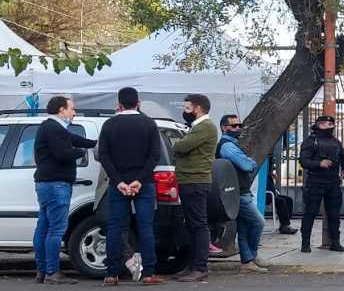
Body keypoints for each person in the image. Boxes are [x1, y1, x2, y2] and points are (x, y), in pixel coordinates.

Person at [96, 88, 164, 285]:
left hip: (118, 185)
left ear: (119, 104)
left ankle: (111, 273)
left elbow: (104, 156)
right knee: (145, 227)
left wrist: (119, 182)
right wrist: (139, 180)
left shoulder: (109, 125)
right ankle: (149, 273)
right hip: (144, 184)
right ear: (138, 103)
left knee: (115, 228)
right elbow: (154, 155)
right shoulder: (149, 124)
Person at [33, 96, 96, 285]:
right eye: (72, 109)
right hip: (56, 184)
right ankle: (52, 272)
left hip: (46, 184)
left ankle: (42, 271)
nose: (74, 112)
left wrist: (93, 143)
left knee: (43, 228)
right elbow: (63, 153)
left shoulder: (53, 128)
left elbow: (73, 139)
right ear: (61, 110)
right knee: (55, 230)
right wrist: (82, 152)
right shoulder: (54, 128)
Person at [214, 114, 271, 272]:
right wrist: (249, 161)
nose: (238, 128)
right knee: (258, 222)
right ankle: (251, 255)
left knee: (244, 227)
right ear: (224, 128)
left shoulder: (232, 144)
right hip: (238, 193)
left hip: (239, 191)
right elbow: (247, 165)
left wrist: (247, 160)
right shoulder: (227, 146)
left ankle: (248, 260)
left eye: (240, 125)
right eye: (234, 126)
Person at [171, 94, 218, 282]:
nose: (185, 111)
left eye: (188, 108)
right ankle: (192, 265)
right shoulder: (197, 127)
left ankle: (200, 267)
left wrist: (178, 145)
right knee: (192, 225)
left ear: (198, 108)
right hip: (189, 180)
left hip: (196, 181)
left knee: (198, 225)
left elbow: (181, 147)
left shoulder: (205, 127)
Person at [298, 115, 344, 253]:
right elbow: (303, 161)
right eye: (327, 124)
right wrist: (319, 163)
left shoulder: (336, 142)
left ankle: (335, 243)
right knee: (310, 212)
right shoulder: (311, 141)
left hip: (333, 182)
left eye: (332, 124)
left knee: (334, 214)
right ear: (319, 125)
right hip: (315, 181)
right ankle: (305, 244)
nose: (331, 127)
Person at [267, 152, 298, 234]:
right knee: (281, 202)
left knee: (289, 200)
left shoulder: (268, 173)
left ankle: (285, 224)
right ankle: (285, 225)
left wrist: (271, 174)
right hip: (267, 195)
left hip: (272, 194)